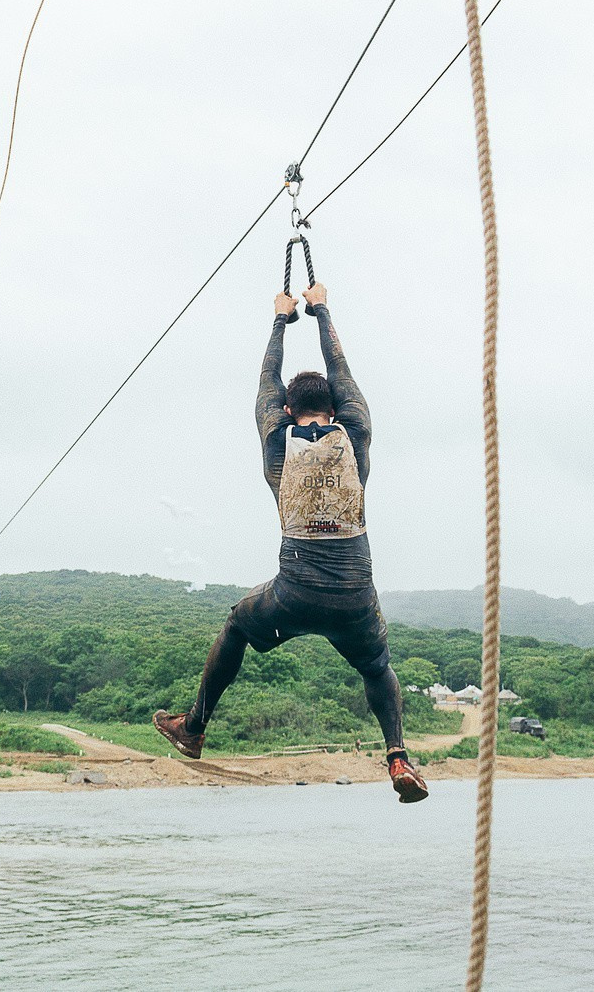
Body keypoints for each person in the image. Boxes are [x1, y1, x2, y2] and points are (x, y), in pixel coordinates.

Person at [154, 281, 427, 804]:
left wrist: (281, 318)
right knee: (377, 667)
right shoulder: (356, 435)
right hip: (354, 596)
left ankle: (193, 727)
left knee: (237, 623)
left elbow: (267, 379)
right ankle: (397, 755)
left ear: (285, 409)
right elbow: (341, 371)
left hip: (293, 594)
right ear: (336, 409)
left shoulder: (275, 441)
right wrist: (322, 309)